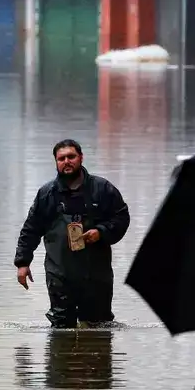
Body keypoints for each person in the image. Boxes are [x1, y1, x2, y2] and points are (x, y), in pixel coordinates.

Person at [14, 139, 130, 328]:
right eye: (61, 158)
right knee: (61, 329)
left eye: (71, 156)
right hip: (59, 273)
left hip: (96, 274)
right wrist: (22, 263)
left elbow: (121, 218)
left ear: (81, 158)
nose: (67, 161)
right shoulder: (46, 194)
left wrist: (100, 232)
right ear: (56, 162)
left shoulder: (102, 189)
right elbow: (31, 229)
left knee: (98, 327)